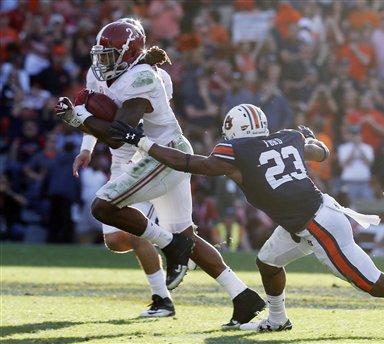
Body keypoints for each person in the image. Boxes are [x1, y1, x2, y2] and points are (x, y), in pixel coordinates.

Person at [110, 103, 384, 337]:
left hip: (318, 224)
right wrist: (307, 138)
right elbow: (321, 151)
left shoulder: (236, 149)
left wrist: (141, 142)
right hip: (308, 217)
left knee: (373, 284)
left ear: (234, 132)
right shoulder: (286, 137)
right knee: (268, 262)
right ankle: (277, 318)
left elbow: (189, 163)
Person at [55, 20, 264, 325]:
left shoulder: (144, 77)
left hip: (159, 156)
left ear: (130, 53)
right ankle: (243, 296)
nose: (102, 63)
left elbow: (118, 132)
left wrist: (78, 118)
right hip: (153, 155)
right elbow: (102, 116)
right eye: (100, 55)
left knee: (105, 207)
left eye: (110, 55)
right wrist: (84, 134)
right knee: (179, 236)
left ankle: (167, 256)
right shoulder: (105, 73)